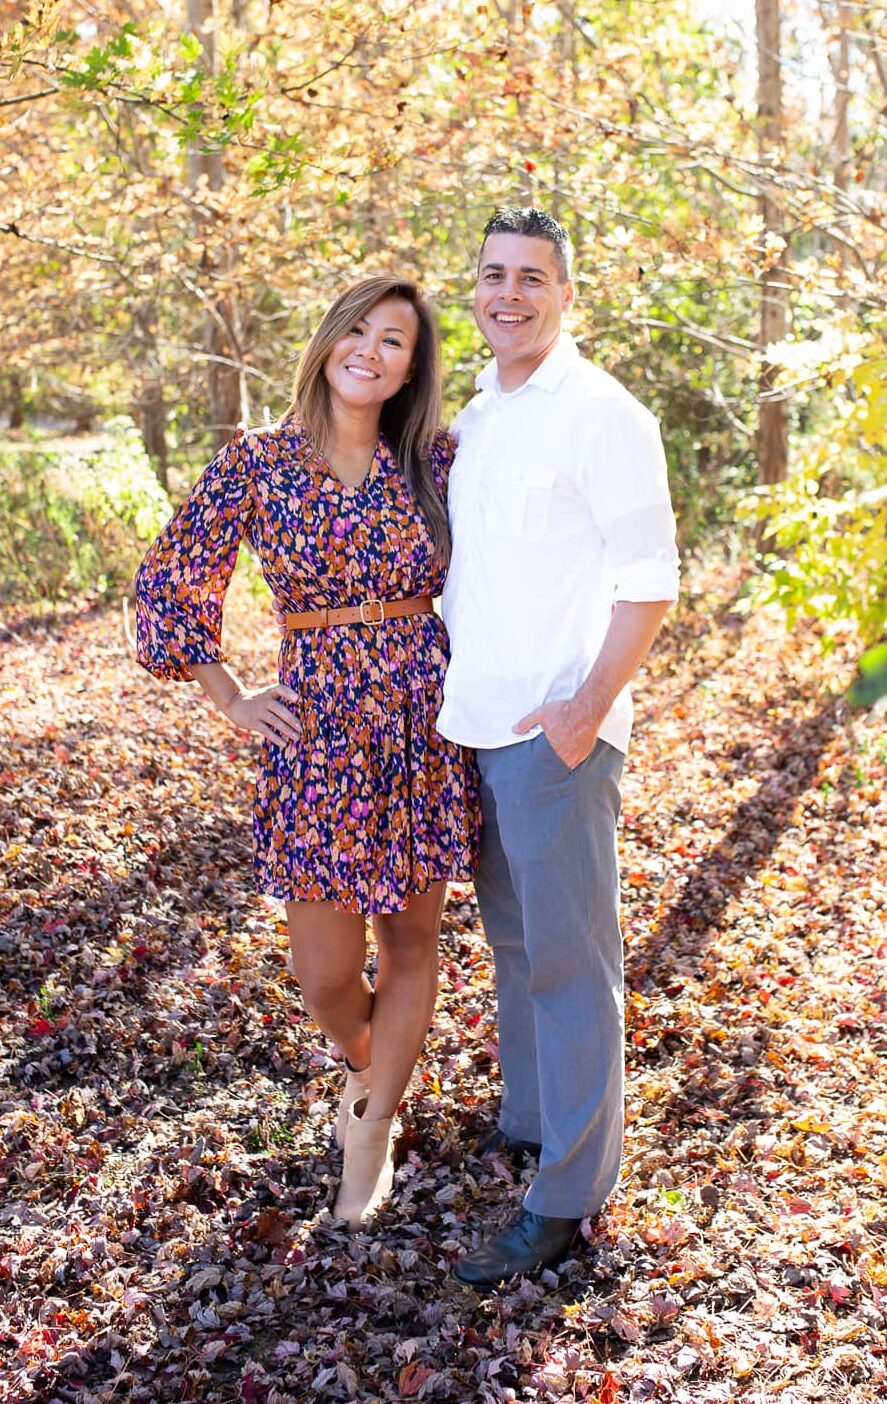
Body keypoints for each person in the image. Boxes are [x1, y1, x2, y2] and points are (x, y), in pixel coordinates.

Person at [135, 276, 479, 1231]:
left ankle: (368, 1132)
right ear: (328, 341)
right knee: (324, 973)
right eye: (359, 330)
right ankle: (372, 1072)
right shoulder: (259, 463)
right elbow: (172, 580)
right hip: (316, 721)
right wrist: (229, 694)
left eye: (396, 340)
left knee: (411, 941)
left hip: (421, 712)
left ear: (414, 367)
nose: (372, 350)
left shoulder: (439, 461)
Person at [437, 208, 680, 1289]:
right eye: (492, 275)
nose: (508, 294)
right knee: (517, 949)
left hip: (555, 736)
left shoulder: (603, 414)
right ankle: (532, 1123)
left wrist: (585, 707)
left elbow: (649, 581)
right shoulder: (479, 414)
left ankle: (567, 1196)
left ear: (564, 293)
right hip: (474, 727)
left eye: (531, 277)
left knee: (573, 963)